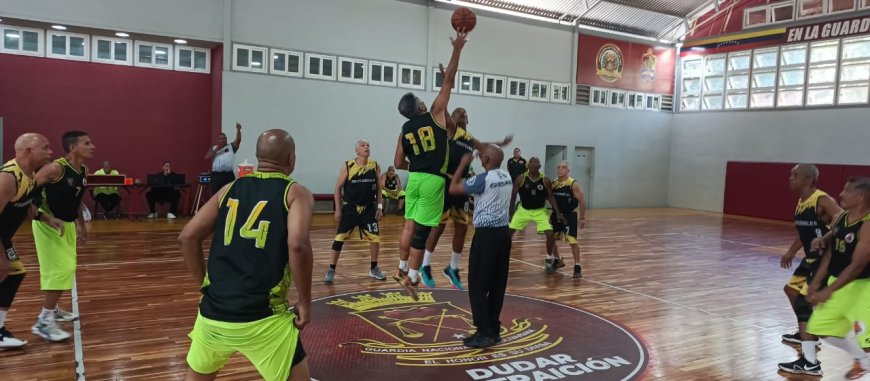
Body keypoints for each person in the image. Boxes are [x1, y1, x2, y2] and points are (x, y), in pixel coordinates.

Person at [178, 129, 313, 381]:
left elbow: (187, 237)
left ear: (258, 157)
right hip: (263, 319)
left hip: (213, 314)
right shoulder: (295, 193)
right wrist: (305, 301)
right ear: (291, 159)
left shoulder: (230, 188)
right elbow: (298, 246)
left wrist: (204, 286)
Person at [392, 29, 468, 300]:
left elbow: (398, 161)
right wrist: (457, 48)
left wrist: (417, 164)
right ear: (421, 105)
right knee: (422, 232)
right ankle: (412, 278)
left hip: (414, 179)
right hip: (433, 180)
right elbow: (449, 79)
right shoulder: (435, 114)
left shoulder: (404, 129)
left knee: (409, 226)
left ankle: (401, 269)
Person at [420, 107, 512, 290]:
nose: (462, 113)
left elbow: (486, 148)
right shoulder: (451, 130)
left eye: (464, 113)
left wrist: (501, 143)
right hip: (445, 182)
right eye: (457, 112)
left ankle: (452, 268)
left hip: (461, 184)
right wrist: (446, 84)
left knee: (462, 227)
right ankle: (425, 265)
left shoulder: (469, 138)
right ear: (451, 119)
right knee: (438, 227)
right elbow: (443, 110)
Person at [777, 164, 840, 376]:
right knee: (791, 290)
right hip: (811, 258)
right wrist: (790, 252)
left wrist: (825, 237)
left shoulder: (822, 200)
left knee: (804, 302)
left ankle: (810, 361)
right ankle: (806, 332)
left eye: (795, 175)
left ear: (808, 179)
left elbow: (844, 219)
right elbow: (802, 233)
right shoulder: (802, 202)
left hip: (825, 260)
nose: (790, 178)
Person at [32, 131, 95, 342]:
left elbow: (76, 200)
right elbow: (25, 191)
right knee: (60, 269)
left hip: (67, 224)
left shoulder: (84, 170)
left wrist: (81, 226)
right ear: (73, 148)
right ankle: (44, 321)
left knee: (65, 268)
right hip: (48, 224)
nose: (92, 146)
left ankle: (53, 309)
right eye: (87, 143)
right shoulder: (54, 169)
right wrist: (44, 217)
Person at [447, 145, 513, 348]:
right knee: (496, 285)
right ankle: (493, 329)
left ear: (485, 159)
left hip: (486, 237)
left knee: (477, 284)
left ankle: (484, 332)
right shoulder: (507, 176)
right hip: (504, 234)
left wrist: (463, 164)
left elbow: (454, 188)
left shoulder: (484, 179)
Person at [805, 177, 870, 380]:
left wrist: (827, 291)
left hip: (864, 288)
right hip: (838, 283)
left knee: (867, 341)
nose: (841, 194)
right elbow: (831, 253)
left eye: (846, 191)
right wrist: (815, 283)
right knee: (821, 329)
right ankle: (861, 360)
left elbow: (857, 266)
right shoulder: (841, 218)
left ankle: (865, 359)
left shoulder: (867, 225)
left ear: (859, 197)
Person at [0, 133, 57, 348]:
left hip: (4, 236)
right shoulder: (7, 178)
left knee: (14, 273)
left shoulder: (30, 175)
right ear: (28, 152)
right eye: (46, 147)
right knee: (7, 270)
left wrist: (46, 217)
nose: (50, 152)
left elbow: (24, 206)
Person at [324, 140, 386, 283]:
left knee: (375, 239)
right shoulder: (348, 165)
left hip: (369, 209)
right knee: (339, 239)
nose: (367, 147)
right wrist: (338, 209)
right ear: (357, 151)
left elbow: (378, 189)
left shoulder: (375, 165)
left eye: (368, 145)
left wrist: (380, 207)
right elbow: (338, 188)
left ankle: (374, 268)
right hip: (350, 208)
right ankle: (331, 269)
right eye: (363, 145)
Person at [509, 157, 564, 274]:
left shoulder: (545, 180)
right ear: (527, 166)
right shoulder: (521, 178)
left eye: (536, 164)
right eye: (531, 164)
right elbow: (513, 196)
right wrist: (510, 213)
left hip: (540, 210)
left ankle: (549, 259)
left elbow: (550, 196)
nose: (533, 166)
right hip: (523, 210)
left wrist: (558, 213)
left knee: (550, 234)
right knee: (508, 233)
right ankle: (501, 257)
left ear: (539, 166)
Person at [549, 161, 587, 279]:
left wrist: (582, 218)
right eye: (558, 167)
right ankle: (557, 260)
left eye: (563, 167)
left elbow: (582, 201)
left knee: (572, 242)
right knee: (550, 238)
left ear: (568, 170)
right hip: (556, 215)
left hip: (568, 216)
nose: (560, 169)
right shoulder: (553, 183)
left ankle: (577, 266)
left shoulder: (573, 184)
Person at [205, 122, 242, 194]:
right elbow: (206, 157)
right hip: (216, 175)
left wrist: (238, 130)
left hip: (228, 175)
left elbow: (238, 140)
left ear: (226, 139)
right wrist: (217, 149)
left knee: (230, 194)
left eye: (224, 138)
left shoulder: (231, 147)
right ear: (218, 140)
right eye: (221, 138)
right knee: (215, 195)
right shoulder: (214, 148)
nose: (223, 140)